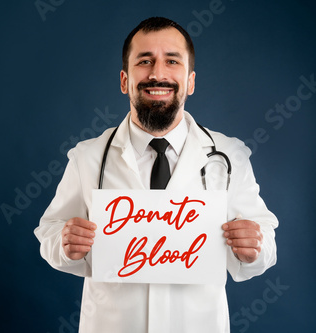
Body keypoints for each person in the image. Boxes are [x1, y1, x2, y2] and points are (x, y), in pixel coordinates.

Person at [34, 17, 278, 333]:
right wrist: (63, 244)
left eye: (171, 61)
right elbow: (50, 231)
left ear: (190, 81)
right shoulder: (88, 156)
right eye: (144, 61)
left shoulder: (229, 155)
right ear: (124, 80)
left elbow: (265, 239)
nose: (157, 74)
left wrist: (255, 247)